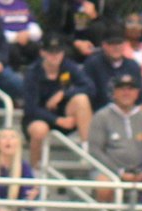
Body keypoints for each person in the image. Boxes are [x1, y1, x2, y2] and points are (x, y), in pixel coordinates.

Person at [23, 35, 93, 167]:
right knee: (39, 130)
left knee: (81, 99)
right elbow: (31, 107)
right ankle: (35, 170)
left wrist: (64, 93)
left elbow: (89, 87)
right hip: (39, 117)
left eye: (58, 52)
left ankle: (87, 151)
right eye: (50, 52)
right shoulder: (32, 73)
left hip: (64, 112)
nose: (55, 56)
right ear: (42, 52)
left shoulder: (68, 66)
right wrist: (57, 120)